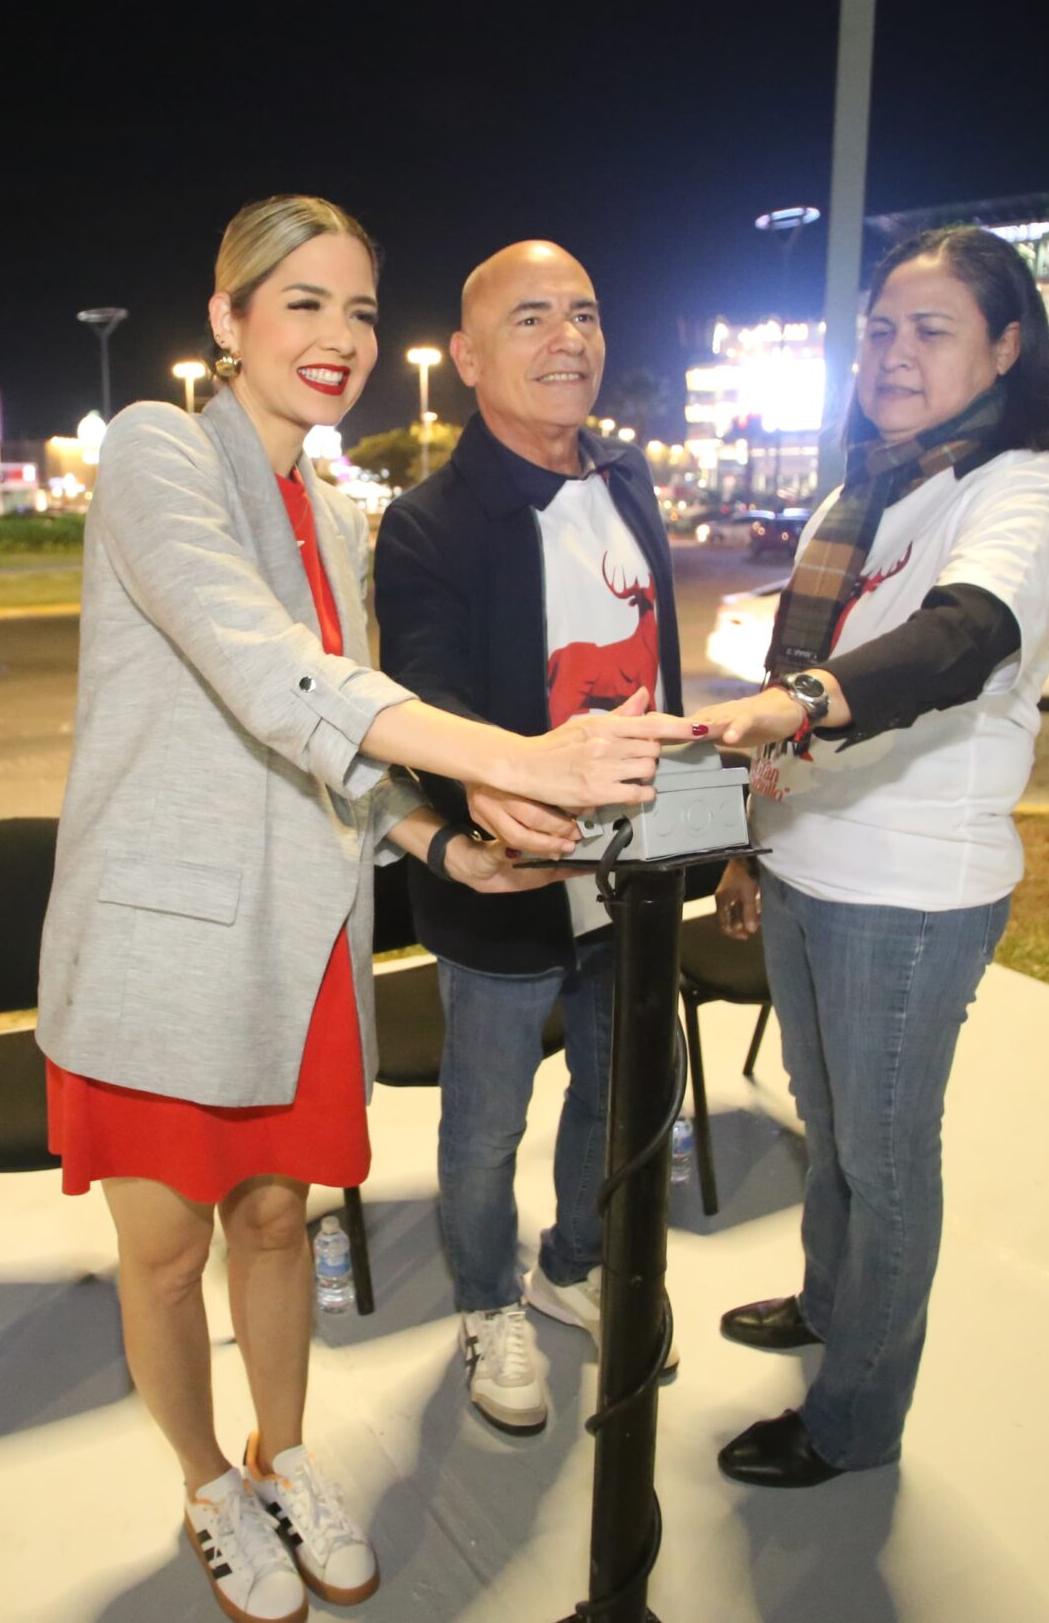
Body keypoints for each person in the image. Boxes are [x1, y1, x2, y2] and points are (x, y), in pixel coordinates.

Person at [35, 196, 695, 1623]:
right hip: (163, 935)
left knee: (278, 1220)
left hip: (304, 937)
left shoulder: (340, 517)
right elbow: (260, 663)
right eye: (300, 303)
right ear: (228, 321)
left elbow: (338, 750)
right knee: (164, 1252)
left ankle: (284, 1452)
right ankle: (209, 1477)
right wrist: (503, 757)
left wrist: (437, 848)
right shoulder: (160, 452)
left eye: (355, 309)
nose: (334, 339)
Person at [691, 224, 1049, 1489]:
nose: (894, 353)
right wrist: (755, 840)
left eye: (931, 330)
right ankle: (826, 1300)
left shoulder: (1022, 489)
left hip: (909, 889)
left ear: (1005, 346)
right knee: (830, 1123)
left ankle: (855, 1417)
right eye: (879, 329)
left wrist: (797, 701)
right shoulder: (869, 486)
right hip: (811, 858)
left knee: (885, 1154)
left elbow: (962, 638)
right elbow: (802, 684)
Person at [374, 240, 686, 1435]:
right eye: (532, 319)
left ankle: (574, 1258)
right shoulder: (426, 523)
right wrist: (483, 802)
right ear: (464, 356)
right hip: (503, 876)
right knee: (485, 1121)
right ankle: (484, 1299)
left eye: (587, 315)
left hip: (636, 872)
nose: (570, 339)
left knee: (615, 1094)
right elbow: (425, 690)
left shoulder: (630, 483)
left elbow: (653, 662)